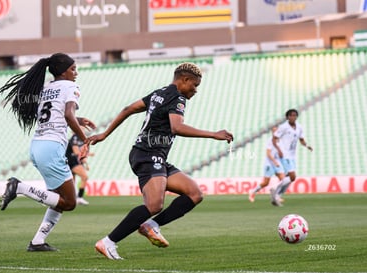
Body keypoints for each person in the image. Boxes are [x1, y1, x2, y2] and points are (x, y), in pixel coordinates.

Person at [87, 62, 233, 260]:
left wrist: (105, 134)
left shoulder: (158, 93)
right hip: (147, 154)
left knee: (194, 194)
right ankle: (108, 242)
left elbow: (128, 108)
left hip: (154, 156)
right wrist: (213, 134)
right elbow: (177, 127)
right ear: (185, 80)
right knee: (154, 205)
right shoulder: (178, 98)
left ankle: (151, 225)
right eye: (195, 85)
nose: (195, 90)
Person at [0, 53, 96, 251]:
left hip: (38, 145)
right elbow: (67, 114)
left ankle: (38, 242)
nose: (76, 73)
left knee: (58, 200)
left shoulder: (46, 88)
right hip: (51, 148)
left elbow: (56, 114)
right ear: (63, 71)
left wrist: (79, 118)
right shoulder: (70, 87)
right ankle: (20, 188)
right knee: (70, 202)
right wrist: (86, 140)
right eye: (73, 69)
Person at [270, 109, 313, 206]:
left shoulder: (299, 128)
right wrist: (278, 150)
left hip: (292, 155)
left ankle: (277, 195)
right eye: (291, 115)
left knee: (289, 178)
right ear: (287, 117)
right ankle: (274, 188)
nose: (293, 117)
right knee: (292, 176)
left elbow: (301, 140)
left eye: (294, 115)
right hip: (284, 154)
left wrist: (307, 146)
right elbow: (274, 139)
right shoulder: (283, 127)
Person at [248, 126, 286, 203]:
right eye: (274, 131)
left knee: (284, 179)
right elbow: (268, 153)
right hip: (269, 164)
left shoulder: (280, 141)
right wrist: (275, 162)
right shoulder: (270, 141)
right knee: (266, 182)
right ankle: (253, 191)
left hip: (277, 163)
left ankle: (276, 195)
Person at [66, 132, 95, 205]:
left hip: (71, 162)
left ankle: (72, 198)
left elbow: (81, 156)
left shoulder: (80, 139)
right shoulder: (75, 137)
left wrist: (86, 164)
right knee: (84, 177)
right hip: (72, 162)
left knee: (72, 182)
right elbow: (76, 152)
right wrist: (88, 154)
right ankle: (79, 197)